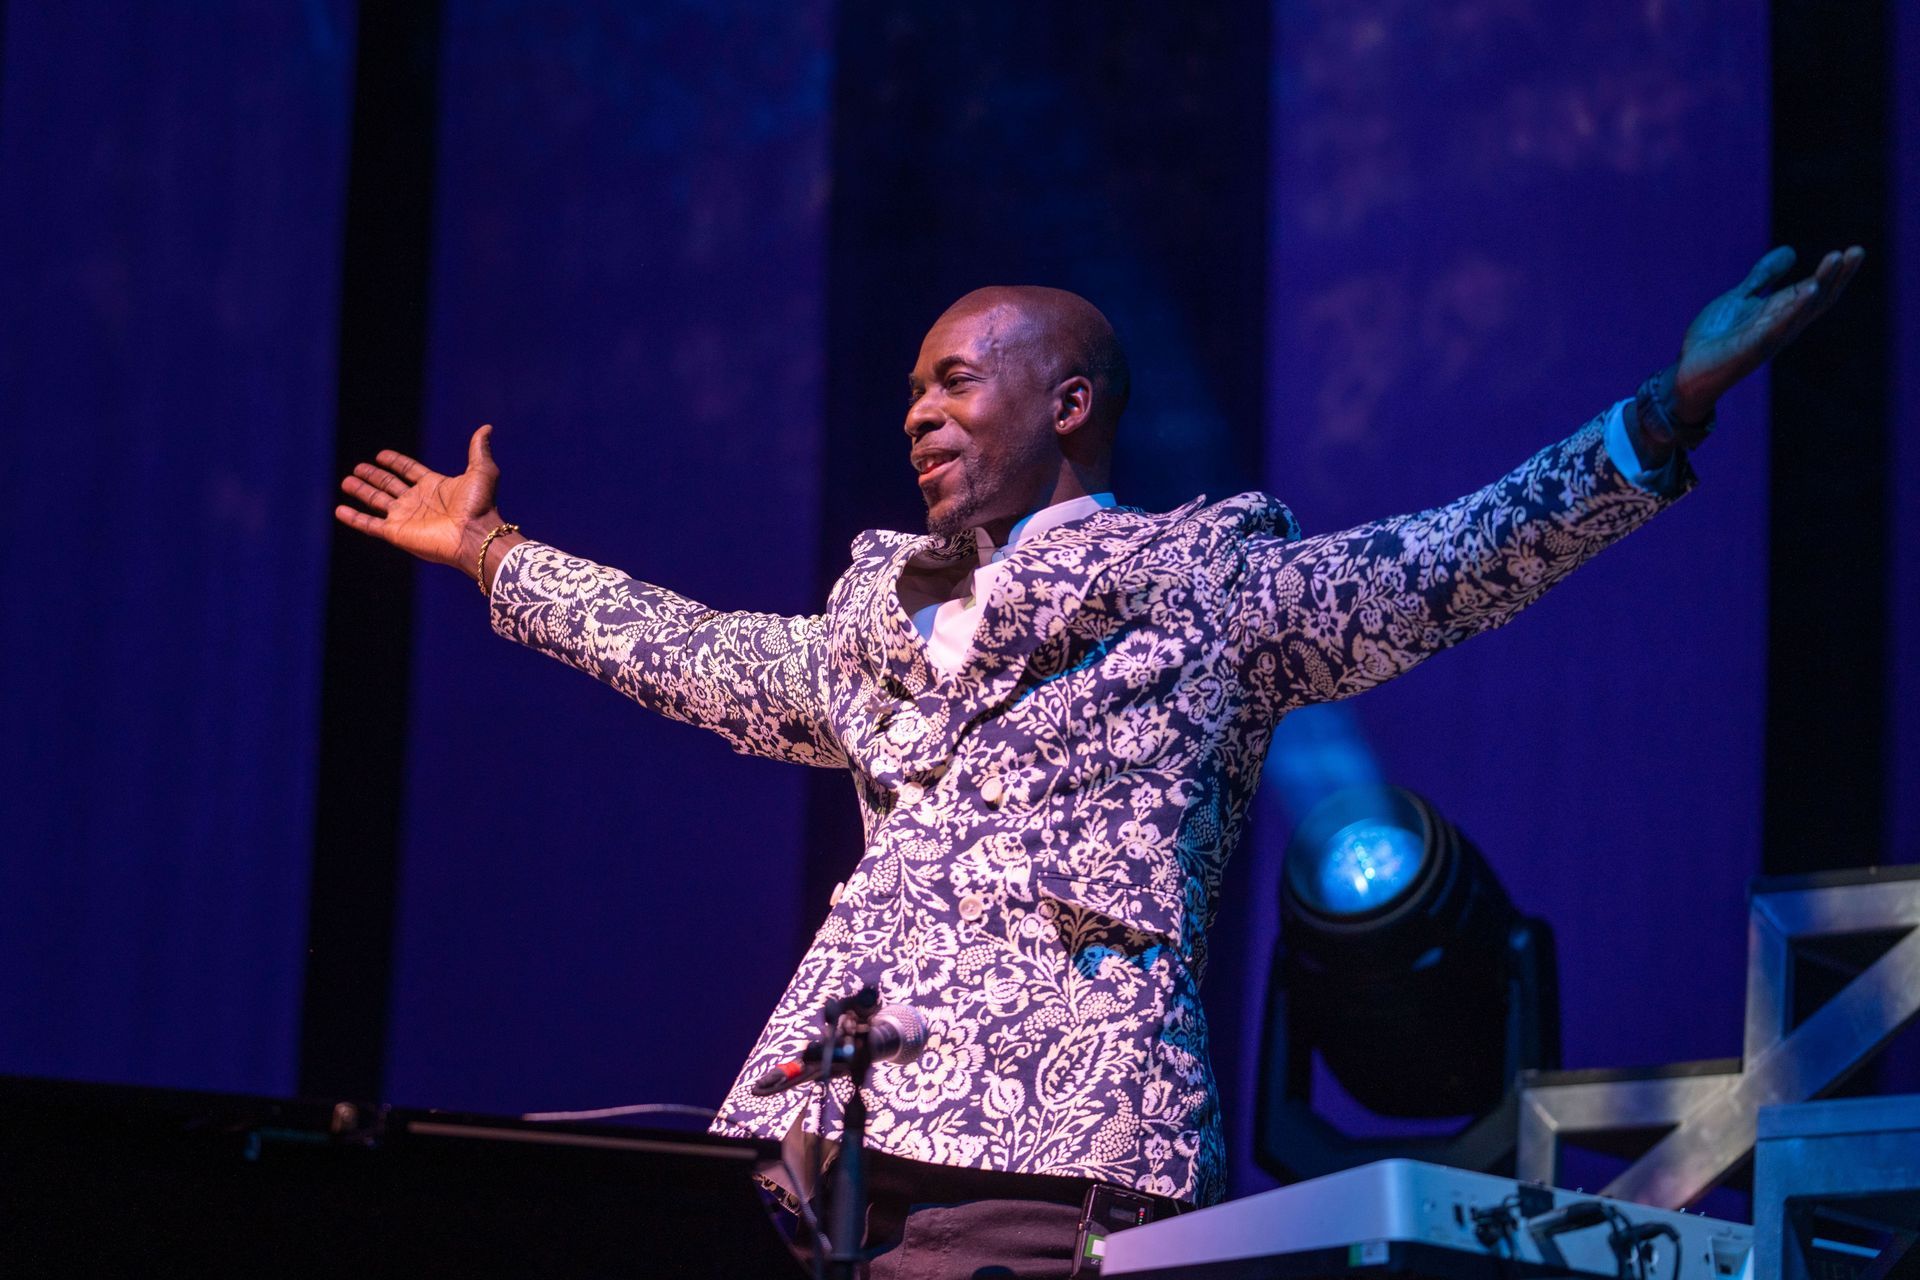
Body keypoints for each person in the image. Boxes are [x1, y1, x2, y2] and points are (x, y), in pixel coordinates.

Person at [336, 246, 1862, 1276]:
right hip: (810, 1147)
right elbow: (697, 655)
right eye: (914, 389)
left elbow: (1441, 562)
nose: (919, 413)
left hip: (1046, 1156)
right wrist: (491, 552)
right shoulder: (878, 628)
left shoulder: (1202, 594)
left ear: (1067, 404)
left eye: (955, 382)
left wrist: (1668, 413)